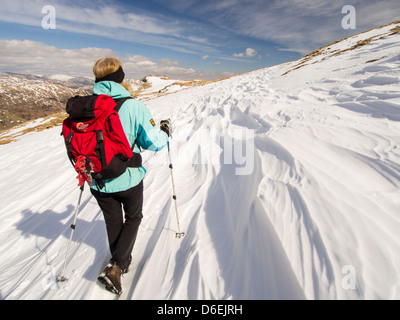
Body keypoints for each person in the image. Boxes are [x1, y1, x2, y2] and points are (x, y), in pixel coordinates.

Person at [91, 56, 171, 295]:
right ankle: (117, 266)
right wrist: (165, 132)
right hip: (128, 176)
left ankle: (118, 261)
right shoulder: (132, 105)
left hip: (97, 179)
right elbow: (152, 142)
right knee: (133, 217)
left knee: (112, 219)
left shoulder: (88, 105)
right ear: (120, 78)